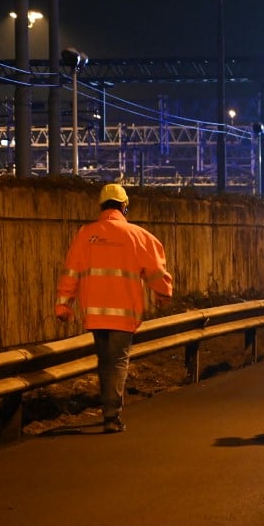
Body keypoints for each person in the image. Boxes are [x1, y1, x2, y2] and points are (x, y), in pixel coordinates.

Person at [55, 183, 173, 433]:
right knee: (118, 361)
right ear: (124, 207)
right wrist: (163, 294)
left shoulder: (86, 234)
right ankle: (111, 415)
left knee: (105, 360)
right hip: (124, 312)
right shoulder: (137, 236)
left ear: (101, 206)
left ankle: (108, 406)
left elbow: (71, 272)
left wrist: (64, 305)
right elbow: (156, 271)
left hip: (95, 314)